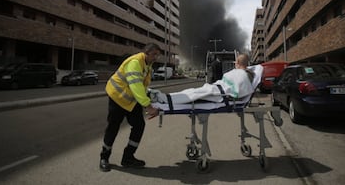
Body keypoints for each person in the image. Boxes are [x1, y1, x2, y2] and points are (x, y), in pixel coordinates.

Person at [99, 43, 161, 172]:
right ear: (146, 52)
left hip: (130, 101)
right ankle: (104, 158)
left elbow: (142, 86)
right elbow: (136, 85)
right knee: (113, 128)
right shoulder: (135, 62)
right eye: (154, 54)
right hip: (117, 98)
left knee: (139, 125)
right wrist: (148, 106)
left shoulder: (147, 65)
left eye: (157, 54)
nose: (156, 57)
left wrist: (150, 97)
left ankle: (128, 158)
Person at [150, 54, 261, 105]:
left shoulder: (244, 75)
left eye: (236, 62)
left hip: (219, 94)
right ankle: (163, 97)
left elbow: (239, 90)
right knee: (192, 91)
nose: (235, 64)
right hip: (217, 89)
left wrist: (227, 91)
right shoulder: (242, 73)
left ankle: (164, 99)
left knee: (193, 94)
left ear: (238, 63)